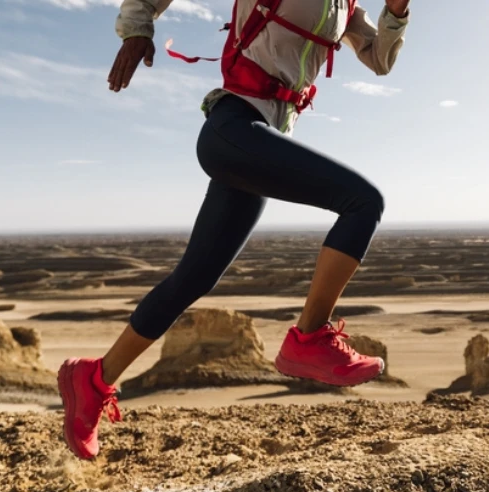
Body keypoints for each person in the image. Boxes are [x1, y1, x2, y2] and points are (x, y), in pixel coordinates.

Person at [58, 0, 411, 460]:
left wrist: (397, 11)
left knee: (194, 278)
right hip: (234, 128)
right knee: (363, 202)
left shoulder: (345, 8)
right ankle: (309, 338)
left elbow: (379, 59)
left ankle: (93, 379)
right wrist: (136, 29)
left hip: (260, 143)